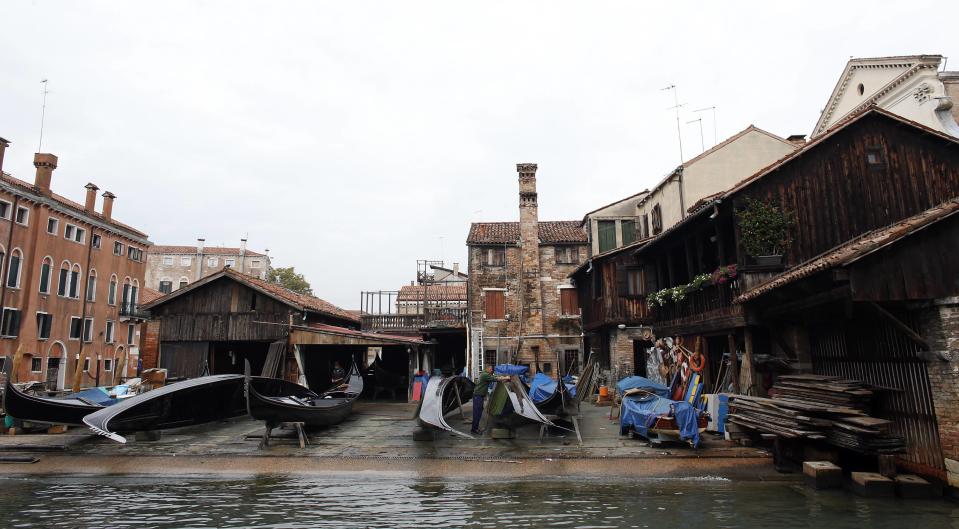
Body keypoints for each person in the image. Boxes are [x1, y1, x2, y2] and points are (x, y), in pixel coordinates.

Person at [471, 365, 509, 435]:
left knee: (479, 412)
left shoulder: (485, 374)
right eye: (491, 369)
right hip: (478, 396)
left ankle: (475, 427)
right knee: (477, 413)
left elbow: (494, 377)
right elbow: (495, 379)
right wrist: (506, 377)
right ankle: (474, 429)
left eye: (492, 369)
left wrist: (502, 378)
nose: (492, 370)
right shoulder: (485, 375)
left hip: (479, 396)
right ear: (487, 369)